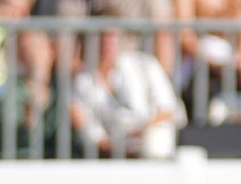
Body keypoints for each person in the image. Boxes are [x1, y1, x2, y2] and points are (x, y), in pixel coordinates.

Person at [68, 28, 185, 159]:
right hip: (111, 153)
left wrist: (142, 132)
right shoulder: (83, 81)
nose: (107, 44)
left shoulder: (145, 65)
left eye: (113, 38)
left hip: (150, 144)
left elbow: (168, 109)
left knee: (157, 139)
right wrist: (116, 147)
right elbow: (88, 129)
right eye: (103, 38)